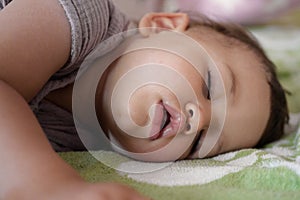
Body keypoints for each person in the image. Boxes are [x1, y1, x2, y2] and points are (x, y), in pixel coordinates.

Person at [0, 0, 288, 199]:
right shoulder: (82, 17)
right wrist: (47, 186)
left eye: (202, 141)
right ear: (162, 25)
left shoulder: (87, 142)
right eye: (210, 86)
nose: (198, 118)